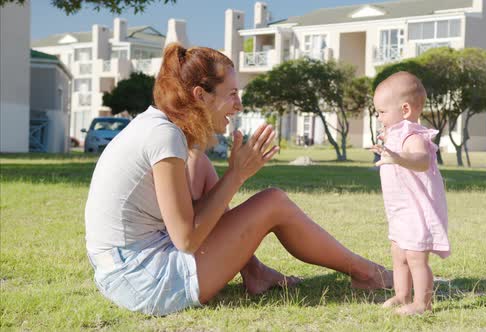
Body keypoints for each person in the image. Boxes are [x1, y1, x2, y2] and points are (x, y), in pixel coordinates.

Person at [85, 43, 392, 316]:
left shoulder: (161, 127)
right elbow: (186, 238)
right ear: (200, 95)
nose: (239, 105)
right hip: (140, 279)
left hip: (127, 266)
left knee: (201, 164)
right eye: (232, 94)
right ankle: (368, 274)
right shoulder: (164, 136)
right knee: (273, 202)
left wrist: (231, 176)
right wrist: (237, 174)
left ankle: (254, 272)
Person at [371, 71, 450, 315]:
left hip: (417, 209)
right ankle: (401, 294)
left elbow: (422, 160)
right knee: (399, 254)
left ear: (405, 110)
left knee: (416, 257)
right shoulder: (396, 132)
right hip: (400, 209)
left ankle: (421, 303)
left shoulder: (413, 135)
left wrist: (397, 156)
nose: (379, 117)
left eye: (382, 112)